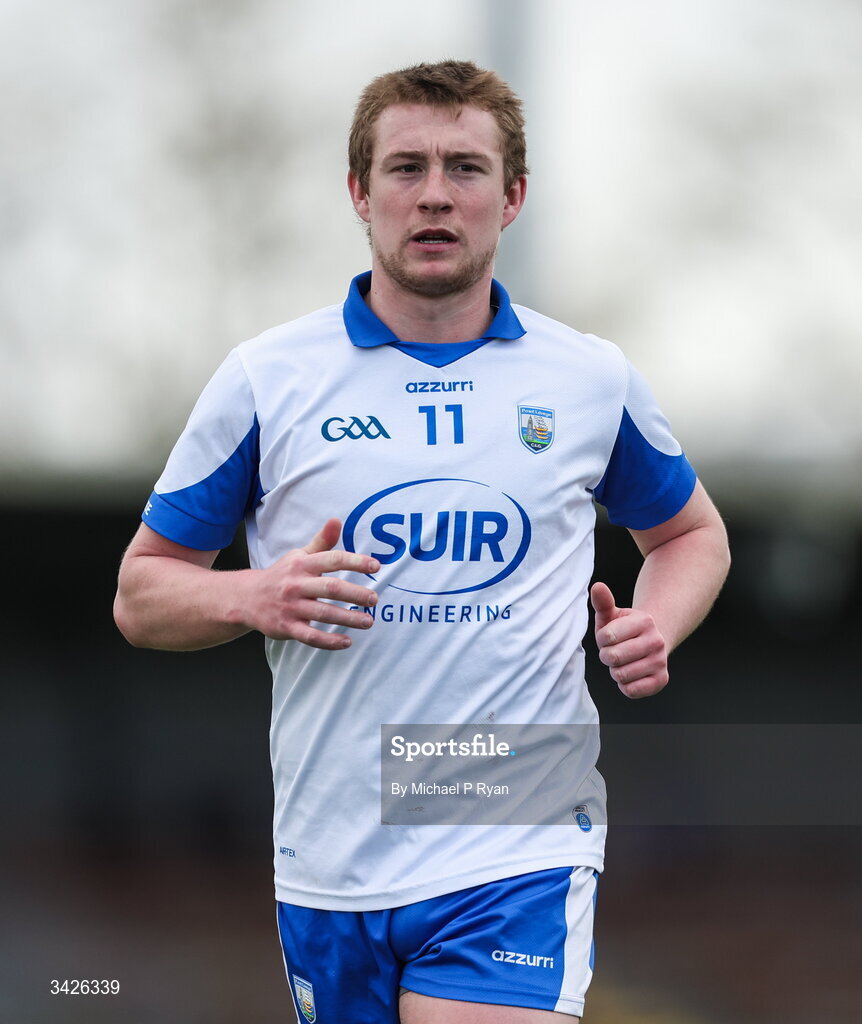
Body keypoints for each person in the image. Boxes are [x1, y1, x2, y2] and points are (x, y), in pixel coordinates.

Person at [114, 60, 730, 1023]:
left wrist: (657, 622)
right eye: (406, 168)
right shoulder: (266, 380)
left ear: (512, 196)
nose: (435, 194)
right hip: (332, 858)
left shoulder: (587, 379)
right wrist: (252, 594)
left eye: (465, 168)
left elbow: (692, 535)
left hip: (518, 834)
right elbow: (140, 593)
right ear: (360, 193)